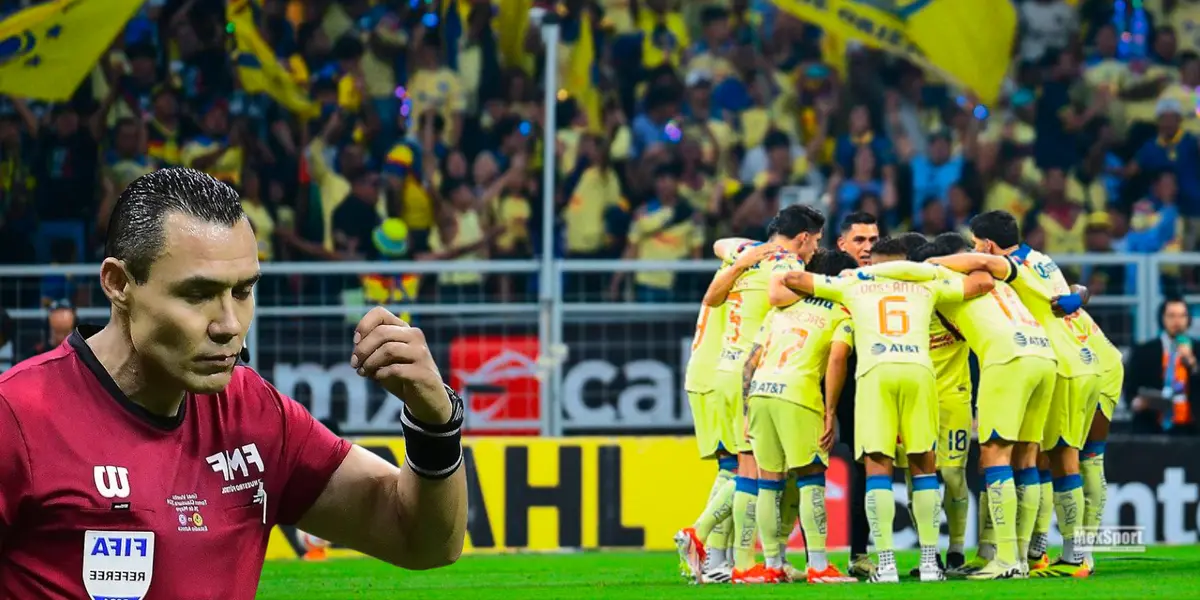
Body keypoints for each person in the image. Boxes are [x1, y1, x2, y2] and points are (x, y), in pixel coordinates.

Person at [0, 168, 467, 600]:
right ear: (119, 283)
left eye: (243, 291)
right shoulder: (18, 417)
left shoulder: (257, 415)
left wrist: (435, 422)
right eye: (198, 294)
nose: (229, 324)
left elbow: (421, 541)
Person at [775, 236, 995, 583]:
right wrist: (922, 269)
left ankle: (887, 563)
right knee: (924, 466)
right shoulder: (927, 284)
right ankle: (928, 563)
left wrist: (863, 275)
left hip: (876, 373)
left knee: (878, 468)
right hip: (920, 371)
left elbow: (793, 280)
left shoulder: (853, 283)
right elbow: (984, 281)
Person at [953, 210, 1102, 577]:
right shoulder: (1044, 260)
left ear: (987, 244)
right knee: (1043, 458)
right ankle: (1037, 553)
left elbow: (981, 264)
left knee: (1060, 458)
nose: (975, 251)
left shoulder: (1011, 266)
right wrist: (1080, 293)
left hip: (1060, 363)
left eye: (975, 243)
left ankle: (1074, 555)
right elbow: (1076, 292)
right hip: (1079, 359)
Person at [910, 233, 1059, 579]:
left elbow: (916, 275)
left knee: (994, 456)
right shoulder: (1004, 280)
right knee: (1026, 457)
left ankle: (1005, 560)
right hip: (1042, 355)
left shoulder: (944, 277)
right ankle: (1021, 557)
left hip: (1007, 359)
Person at [700, 205, 824, 584]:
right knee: (752, 471)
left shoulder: (743, 253)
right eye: (816, 241)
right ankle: (731, 556)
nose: (816, 250)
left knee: (742, 467)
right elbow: (782, 305)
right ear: (802, 237)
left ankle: (731, 560)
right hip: (752, 372)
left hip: (724, 365)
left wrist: (744, 257)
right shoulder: (789, 267)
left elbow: (713, 290)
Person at [741, 248, 860, 584]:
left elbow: (750, 361)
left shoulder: (781, 309)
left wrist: (747, 411)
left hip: (762, 392)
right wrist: (830, 411)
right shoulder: (841, 312)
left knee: (769, 481)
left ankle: (773, 565)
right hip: (798, 394)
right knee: (811, 479)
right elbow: (837, 360)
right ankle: (819, 566)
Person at [674, 240, 774, 583]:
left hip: (708, 372)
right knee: (741, 468)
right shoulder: (752, 275)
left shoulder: (739, 266)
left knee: (732, 465)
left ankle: (718, 558)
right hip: (718, 375)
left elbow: (721, 243)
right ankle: (711, 553)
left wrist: (751, 252)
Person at [831, 210, 879, 578]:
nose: (867, 247)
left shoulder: (883, 280)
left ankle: (859, 554)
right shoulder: (820, 278)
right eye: (860, 240)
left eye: (873, 240)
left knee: (866, 465)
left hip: (865, 383)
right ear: (841, 244)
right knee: (797, 467)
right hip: (821, 384)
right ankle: (775, 556)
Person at [1126, 298, 1198, 434]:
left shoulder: (1197, 350)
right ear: (1162, 318)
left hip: (1190, 428)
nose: (1177, 321)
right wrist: (1137, 402)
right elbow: (1130, 388)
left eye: (1182, 315)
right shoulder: (1144, 351)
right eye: (1171, 316)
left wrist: (1192, 364)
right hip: (1152, 425)